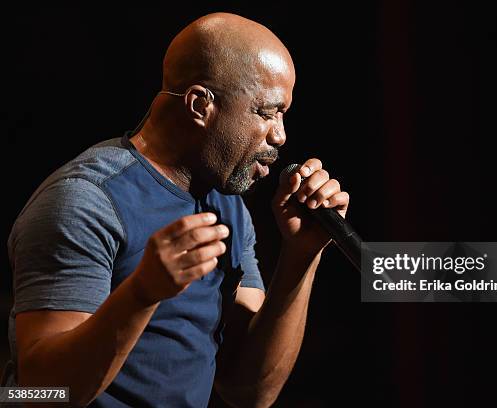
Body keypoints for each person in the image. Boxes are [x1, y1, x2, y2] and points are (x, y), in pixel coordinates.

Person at [3, 12, 349, 407]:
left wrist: (300, 256)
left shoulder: (227, 206)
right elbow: (38, 395)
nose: (280, 135)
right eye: (266, 113)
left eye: (283, 114)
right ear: (200, 105)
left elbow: (250, 391)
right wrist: (141, 294)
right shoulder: (83, 202)